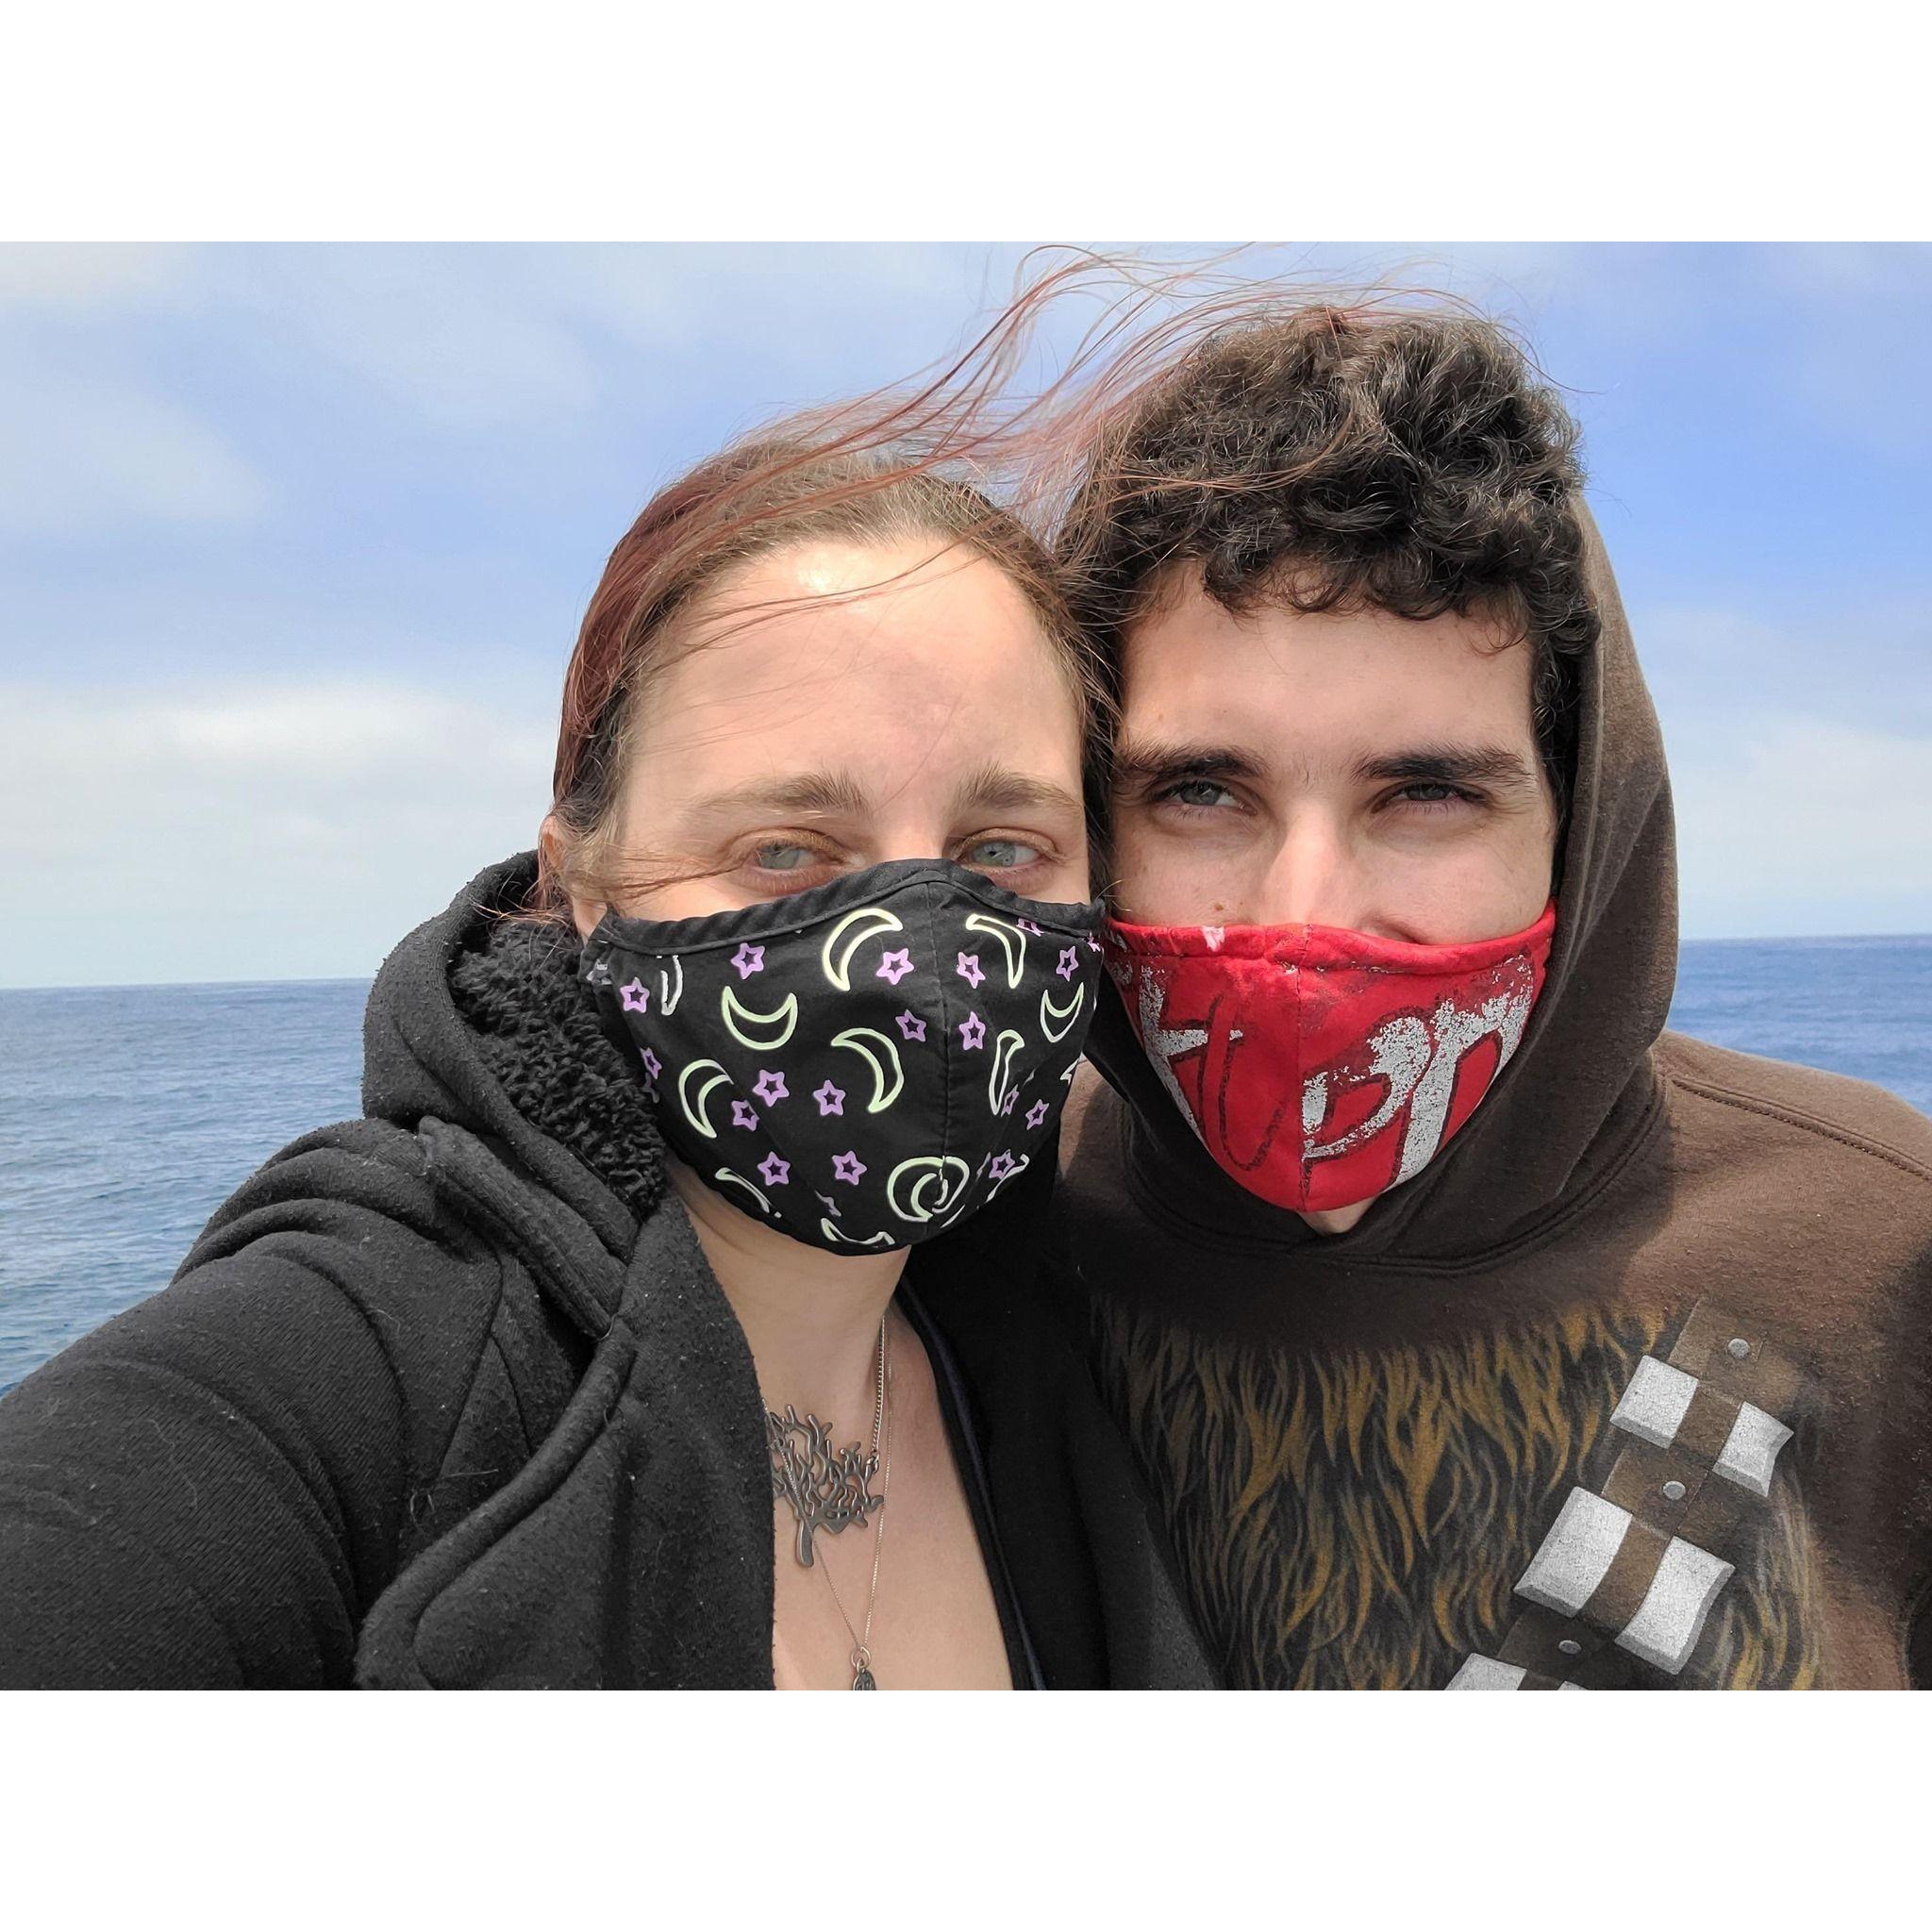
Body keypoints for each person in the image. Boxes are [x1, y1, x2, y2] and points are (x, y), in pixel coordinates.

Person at [0, 387, 1212, 1688]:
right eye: (784, 850)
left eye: (1001, 850)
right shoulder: (378, 1360)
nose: (911, 955)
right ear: (582, 882)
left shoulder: (1063, 1327)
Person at [1050, 300, 1932, 1689]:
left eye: (1428, 793)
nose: (1305, 918)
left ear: (1579, 820)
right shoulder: (990, 1239)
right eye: (1202, 791)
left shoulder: (1884, 1239)